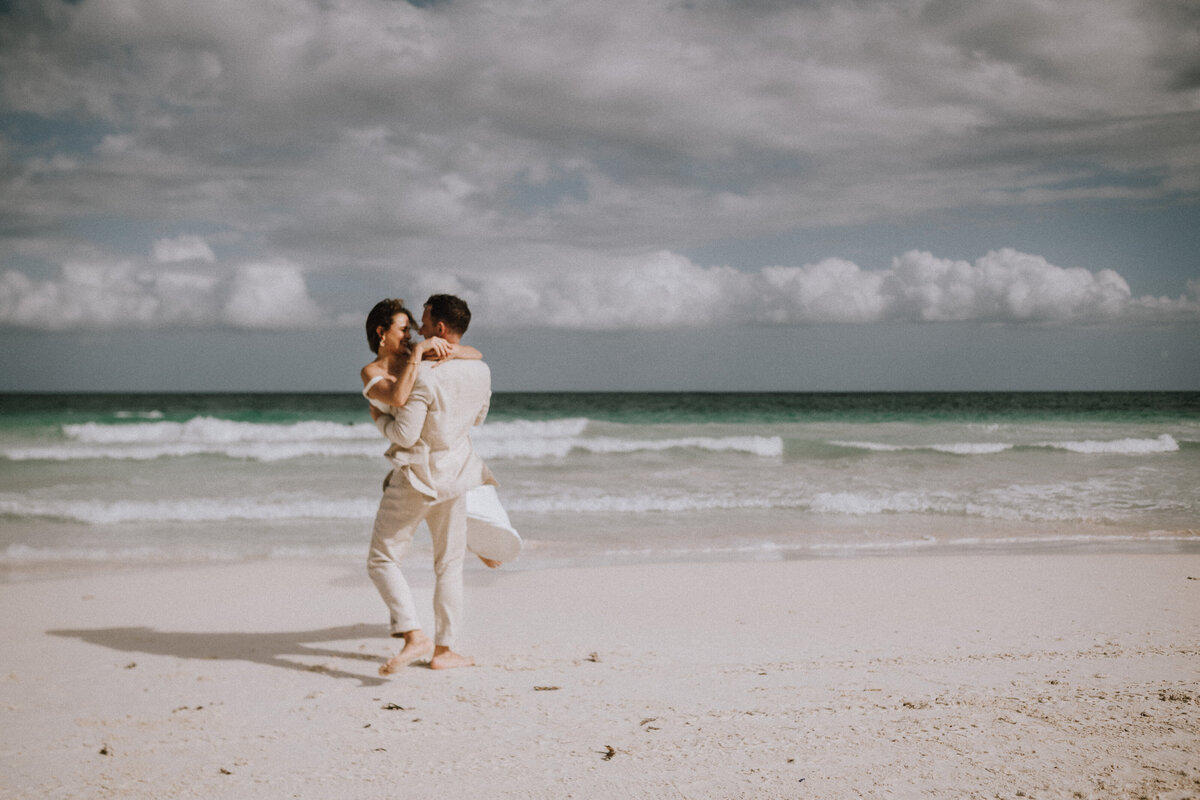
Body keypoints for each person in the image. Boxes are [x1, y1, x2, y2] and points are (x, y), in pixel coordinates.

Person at [364, 295, 496, 673]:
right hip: (453, 474)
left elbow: (404, 435)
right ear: (381, 332)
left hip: (417, 476)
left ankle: (414, 635)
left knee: (383, 559)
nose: (413, 332)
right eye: (405, 328)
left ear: (438, 328)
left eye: (416, 325)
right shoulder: (382, 370)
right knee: (448, 565)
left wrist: (379, 421)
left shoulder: (421, 367)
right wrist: (425, 353)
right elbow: (476, 416)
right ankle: (444, 650)